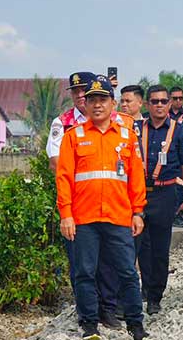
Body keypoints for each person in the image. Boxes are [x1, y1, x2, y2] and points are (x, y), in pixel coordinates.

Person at [55, 76, 149, 340]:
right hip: (84, 219)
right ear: (85, 104)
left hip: (119, 217)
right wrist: (66, 215)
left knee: (128, 273)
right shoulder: (74, 136)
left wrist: (138, 212)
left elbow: (136, 178)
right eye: (92, 100)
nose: (97, 105)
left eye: (103, 100)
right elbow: (63, 178)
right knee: (84, 273)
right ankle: (89, 324)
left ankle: (135, 324)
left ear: (113, 103)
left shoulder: (127, 137)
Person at [47, 72, 122, 329]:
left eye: (85, 91)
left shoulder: (115, 120)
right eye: (75, 91)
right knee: (81, 263)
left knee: (109, 260)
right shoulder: (63, 123)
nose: (80, 96)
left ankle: (108, 308)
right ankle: (86, 312)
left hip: (111, 204)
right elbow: (56, 162)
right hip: (78, 205)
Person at [137, 85, 183, 315]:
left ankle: (155, 297)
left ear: (170, 104)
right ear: (147, 105)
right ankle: (142, 289)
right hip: (140, 194)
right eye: (155, 101)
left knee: (160, 248)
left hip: (165, 193)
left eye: (163, 101)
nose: (159, 105)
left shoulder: (179, 131)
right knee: (140, 246)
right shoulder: (136, 130)